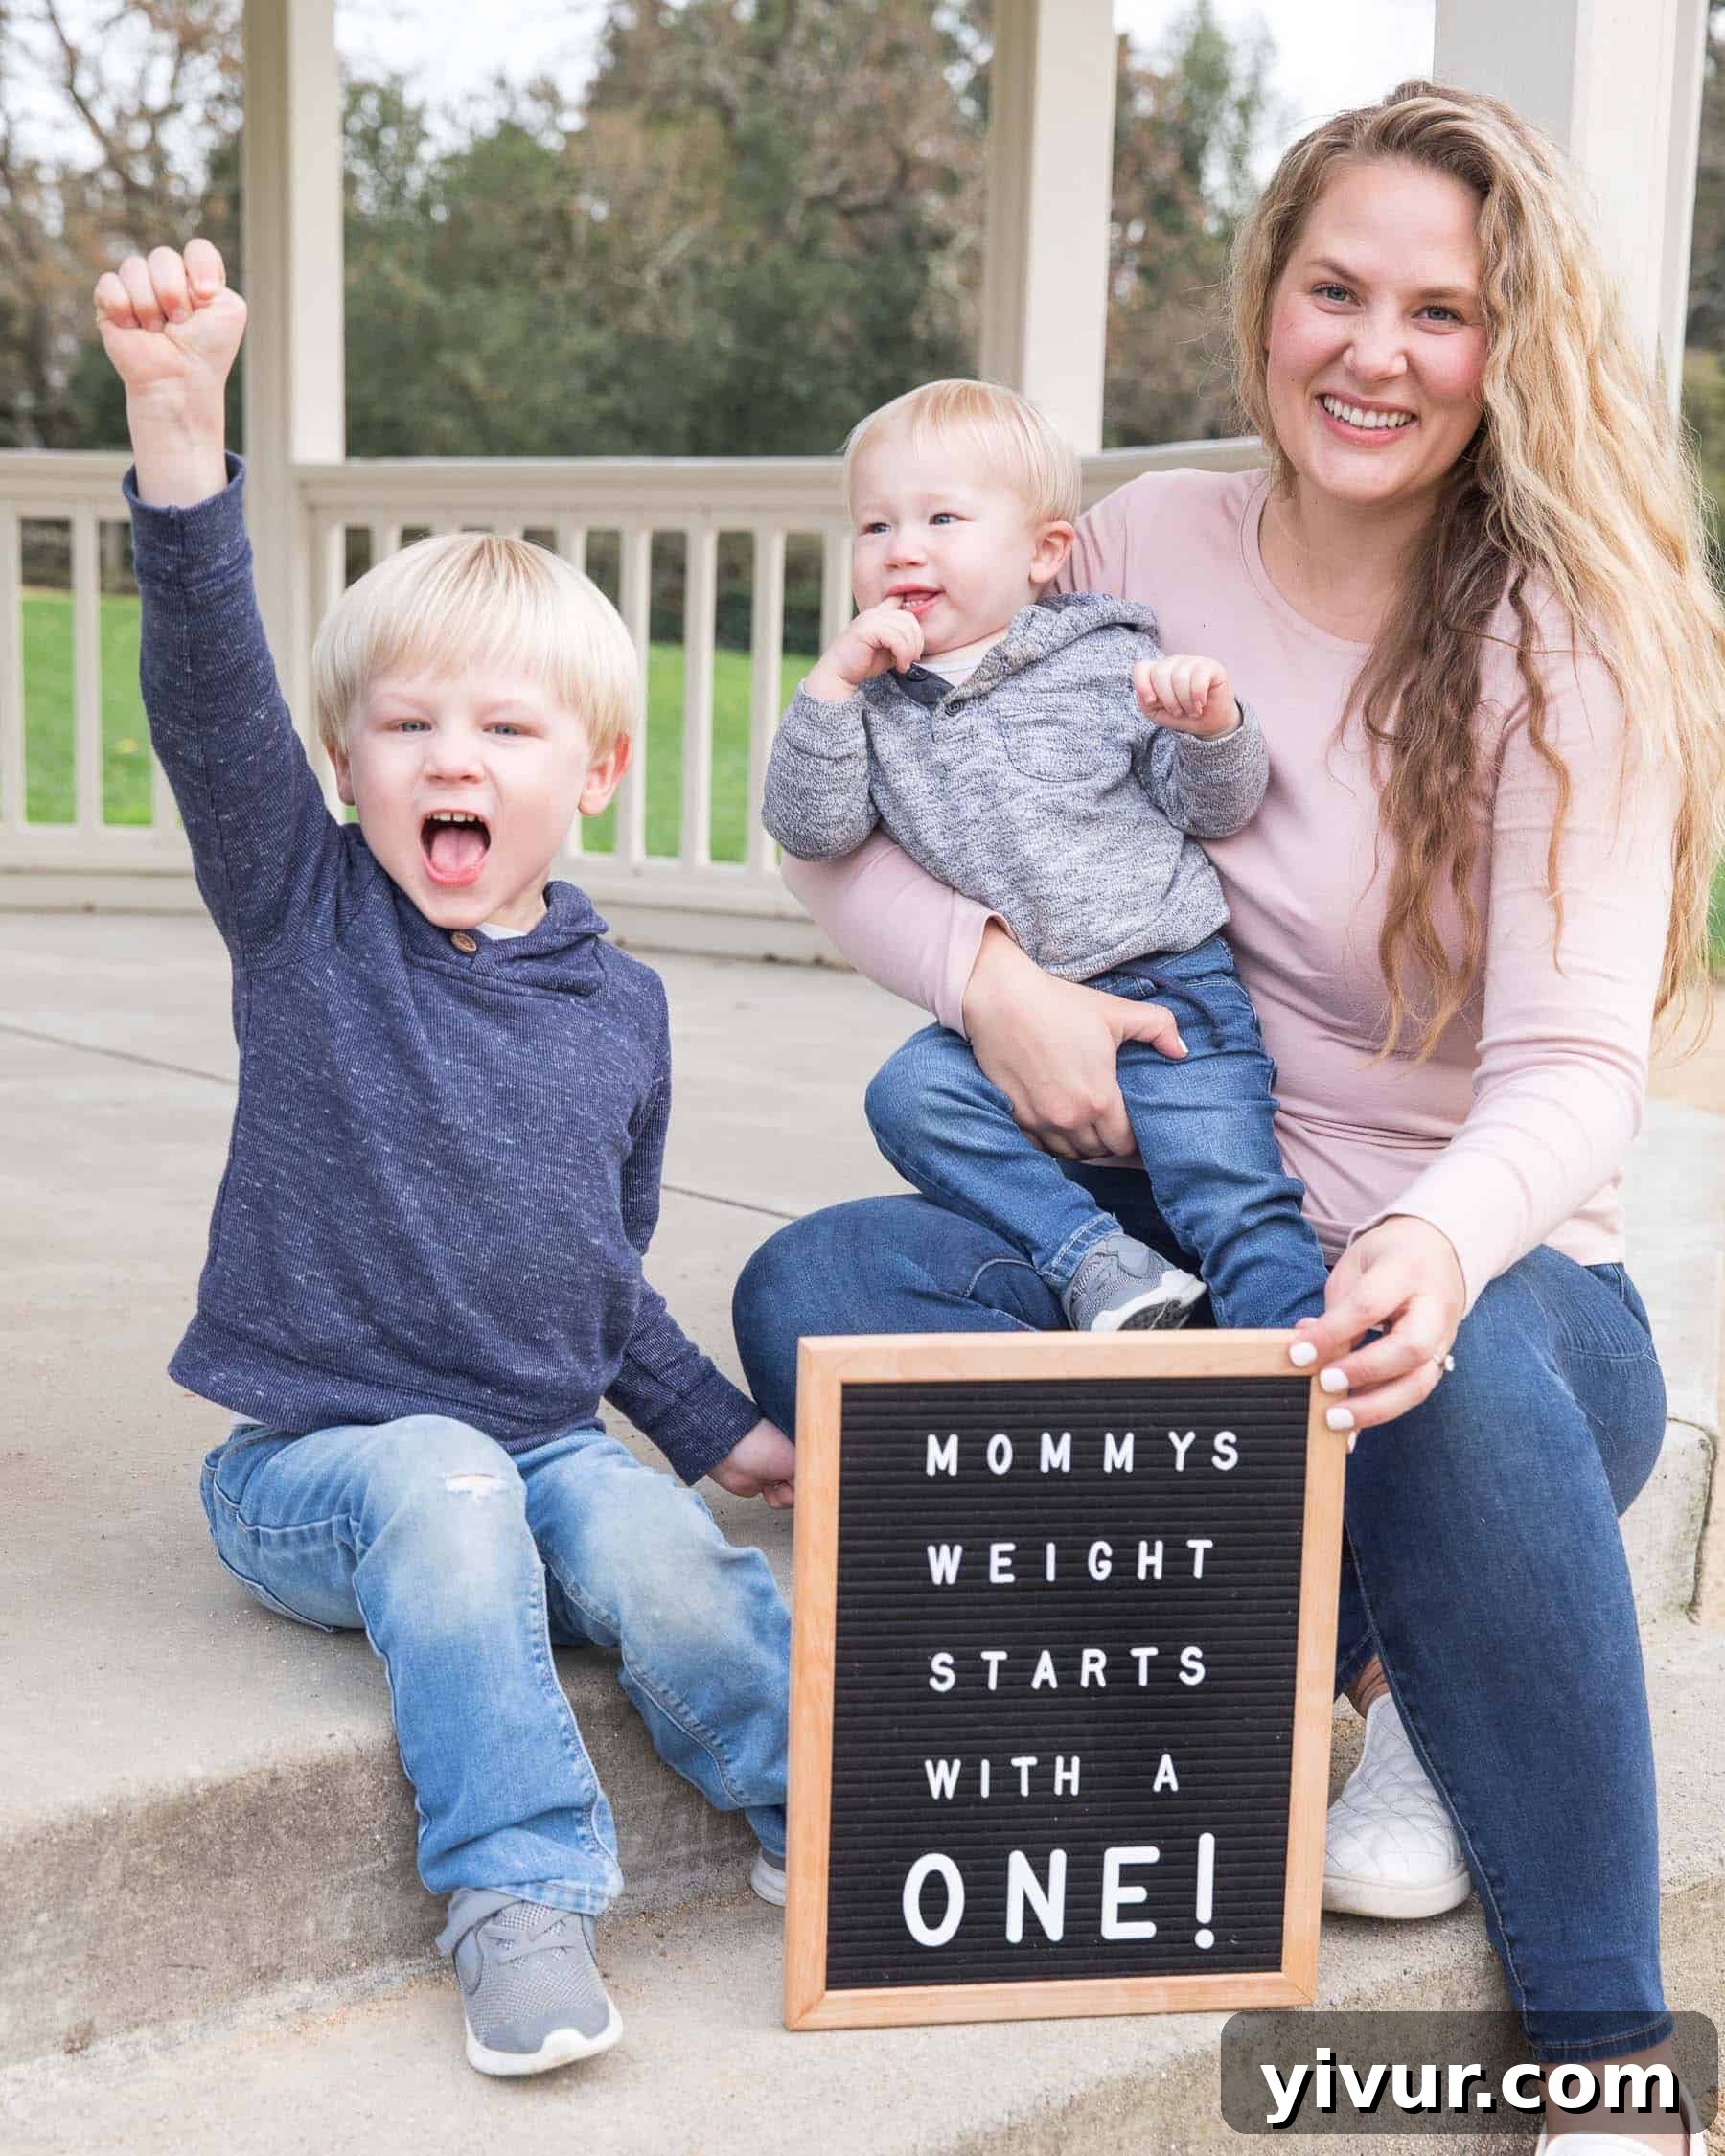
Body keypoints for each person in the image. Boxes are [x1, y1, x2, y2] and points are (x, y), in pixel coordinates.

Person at [736, 82, 1723, 2149]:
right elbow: (850, 833)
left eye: (1442, 312)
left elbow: (1571, 1071)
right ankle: (1366, 1640)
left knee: (1414, 1383)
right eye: (1336, 288)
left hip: (1500, 1295)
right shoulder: (1141, 544)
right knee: (822, 1282)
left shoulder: (1570, 642)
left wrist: (1432, 1245)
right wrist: (998, 985)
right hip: (1185, 1210)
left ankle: (1609, 2051)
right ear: (1266, 296)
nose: (1377, 350)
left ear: (1507, 348)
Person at [94, 238, 797, 2080]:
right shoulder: (302, 909)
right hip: (320, 1467)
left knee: (654, 1543)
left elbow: (590, 1260)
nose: (445, 759)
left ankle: (826, 1798)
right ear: (341, 761)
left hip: (544, 1439)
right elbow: (205, 693)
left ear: (601, 772)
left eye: (501, 728)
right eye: (402, 728)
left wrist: (719, 1429)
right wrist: (181, 429)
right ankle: (518, 1892)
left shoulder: (619, 1010)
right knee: (446, 1490)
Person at [761, 378, 1329, 1338]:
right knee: (910, 1094)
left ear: (1043, 552)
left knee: (1234, 1196)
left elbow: (1216, 811)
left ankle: (1299, 1382)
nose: (903, 548)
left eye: (943, 518)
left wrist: (1212, 728)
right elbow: (811, 833)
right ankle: (1100, 1265)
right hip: (1014, 1028)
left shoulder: (1105, 659)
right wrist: (828, 687)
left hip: (1172, 997)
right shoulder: (872, 704)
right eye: (874, 527)